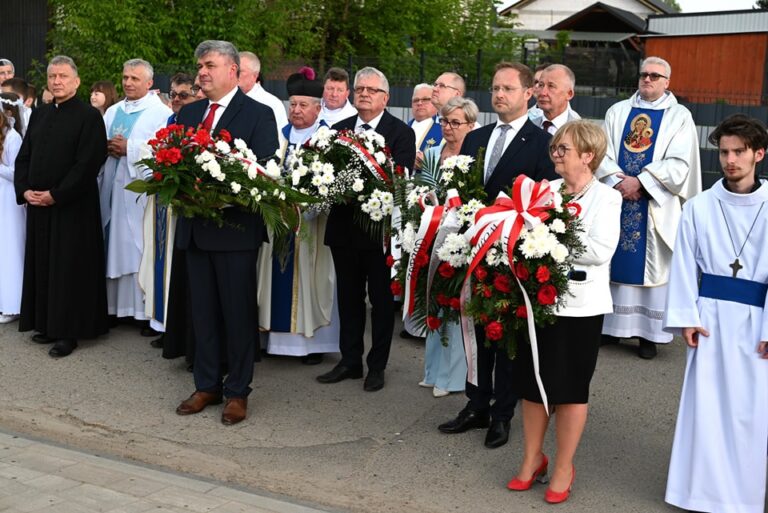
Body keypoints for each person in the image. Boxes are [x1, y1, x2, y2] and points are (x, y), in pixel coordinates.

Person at [438, 61, 556, 449]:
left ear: (528, 94)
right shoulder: (477, 138)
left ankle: (502, 414)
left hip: (512, 253)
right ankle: (476, 403)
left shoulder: (541, 143)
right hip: (474, 249)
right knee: (475, 331)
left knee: (504, 337)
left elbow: (543, 201)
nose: (499, 94)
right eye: (495, 87)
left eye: (507, 88)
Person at [508, 120, 621, 504]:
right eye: (555, 148)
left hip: (582, 308)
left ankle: (563, 466)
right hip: (538, 300)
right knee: (533, 383)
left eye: (564, 149)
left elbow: (600, 252)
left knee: (571, 389)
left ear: (588, 156)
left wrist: (551, 232)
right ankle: (531, 458)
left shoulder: (607, 198)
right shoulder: (545, 191)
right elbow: (522, 234)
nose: (555, 154)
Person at [663, 114, 768, 513]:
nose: (730, 160)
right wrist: (687, 317)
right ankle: (699, 492)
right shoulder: (701, 206)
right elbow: (686, 263)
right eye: (724, 151)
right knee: (704, 409)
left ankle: (743, 496)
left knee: (749, 412)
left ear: (758, 153)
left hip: (757, 319)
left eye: (739, 151)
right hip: (709, 320)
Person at [174, 40, 278, 425]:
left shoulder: (258, 114)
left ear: (232, 70)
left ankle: (237, 391)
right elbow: (174, 160)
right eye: (200, 65)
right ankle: (206, 385)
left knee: (236, 315)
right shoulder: (189, 113)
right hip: (195, 231)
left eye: (210, 65)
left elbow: (265, 169)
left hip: (234, 232)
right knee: (202, 313)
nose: (202, 72)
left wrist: (223, 196)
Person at [317, 67, 416, 392]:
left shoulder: (400, 131)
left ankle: (377, 365)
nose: (363, 94)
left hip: (380, 234)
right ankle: (350, 361)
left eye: (371, 90)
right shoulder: (340, 128)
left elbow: (399, 176)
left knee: (382, 302)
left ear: (385, 97)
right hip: (344, 228)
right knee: (347, 298)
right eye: (359, 89)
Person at [596, 56, 701, 359]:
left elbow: (681, 162)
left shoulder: (679, 116)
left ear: (667, 82)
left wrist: (640, 183)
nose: (648, 80)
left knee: (653, 269)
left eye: (655, 76)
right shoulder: (618, 111)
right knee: (612, 260)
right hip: (618, 200)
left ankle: (648, 336)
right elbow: (602, 152)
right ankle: (611, 329)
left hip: (655, 205)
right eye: (644, 75)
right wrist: (618, 181)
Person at [14, 55, 109, 358]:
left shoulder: (89, 116)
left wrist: (57, 194)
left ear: (76, 81)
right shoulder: (40, 114)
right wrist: (25, 189)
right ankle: (46, 323)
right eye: (52, 76)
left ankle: (68, 332)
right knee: (43, 264)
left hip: (72, 207)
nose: (56, 81)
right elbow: (25, 155)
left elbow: (88, 163)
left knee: (68, 268)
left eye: (63, 76)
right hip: (39, 204)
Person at [257, 67, 338, 365]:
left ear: (318, 108)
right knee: (272, 273)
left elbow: (331, 183)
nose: (297, 110)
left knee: (310, 279)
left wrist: (307, 204)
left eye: (304, 105)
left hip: (310, 226)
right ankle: (274, 338)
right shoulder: (279, 136)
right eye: (293, 104)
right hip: (277, 221)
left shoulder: (326, 140)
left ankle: (310, 346)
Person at [99, 59, 172, 330]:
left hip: (138, 192)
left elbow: (164, 151)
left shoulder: (160, 113)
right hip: (112, 185)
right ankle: (113, 308)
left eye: (135, 79)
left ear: (149, 83)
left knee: (138, 246)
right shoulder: (113, 110)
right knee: (113, 243)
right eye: (125, 77)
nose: (128, 83)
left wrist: (130, 148)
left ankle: (142, 312)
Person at [418, 96, 478, 398]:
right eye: (444, 121)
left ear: (470, 125)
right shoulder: (431, 153)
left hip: (459, 241)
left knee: (455, 308)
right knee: (433, 302)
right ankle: (433, 370)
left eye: (455, 122)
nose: (448, 128)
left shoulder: (473, 156)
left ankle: (453, 377)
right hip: (431, 237)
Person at [138, 72, 198, 353]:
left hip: (186, 207)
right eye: (172, 94)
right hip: (163, 204)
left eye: (183, 95)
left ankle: (182, 330)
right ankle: (165, 325)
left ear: (196, 96)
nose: (176, 100)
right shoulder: (169, 121)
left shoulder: (196, 123)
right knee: (162, 264)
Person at [0, 94, 25, 323]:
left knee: (10, 249)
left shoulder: (13, 137)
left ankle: (12, 304)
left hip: (9, 199)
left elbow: (17, 173)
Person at [238, 51, 287, 146]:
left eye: (239, 72)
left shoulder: (272, 103)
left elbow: (280, 142)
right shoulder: (224, 99)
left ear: (255, 75)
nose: (233, 75)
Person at [529, 64, 580, 135]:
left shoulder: (580, 133)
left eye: (551, 86)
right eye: (541, 85)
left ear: (569, 94)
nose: (543, 93)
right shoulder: (527, 127)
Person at [408, 83, 441, 155]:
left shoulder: (444, 129)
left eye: (425, 99)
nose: (419, 103)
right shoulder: (403, 128)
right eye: (416, 100)